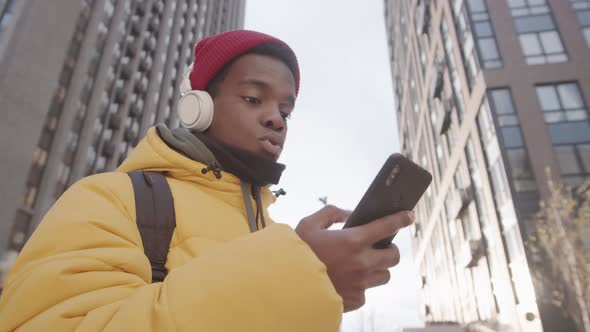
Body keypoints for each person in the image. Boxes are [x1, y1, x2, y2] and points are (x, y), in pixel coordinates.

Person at [0, 30, 414, 331]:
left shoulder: (274, 235)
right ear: (198, 107)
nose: (275, 119)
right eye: (253, 99)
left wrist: (317, 290)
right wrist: (301, 275)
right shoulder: (108, 198)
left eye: (285, 111)